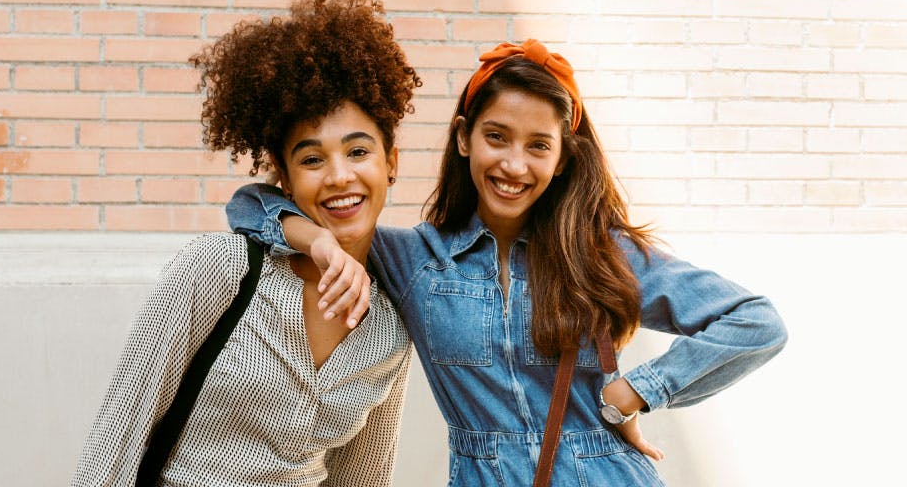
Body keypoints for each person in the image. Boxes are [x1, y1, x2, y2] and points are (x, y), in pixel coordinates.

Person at [227, 39, 787, 485]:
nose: (514, 164)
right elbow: (251, 204)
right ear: (466, 139)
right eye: (497, 137)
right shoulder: (414, 259)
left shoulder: (600, 251)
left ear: (564, 157)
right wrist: (321, 242)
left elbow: (755, 322)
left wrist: (637, 391)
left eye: (538, 145)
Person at [71, 0, 421, 485]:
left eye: (358, 151)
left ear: (391, 164)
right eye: (312, 159)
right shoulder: (220, 269)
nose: (340, 176)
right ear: (285, 177)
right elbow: (117, 436)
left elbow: (364, 477)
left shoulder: (388, 327)